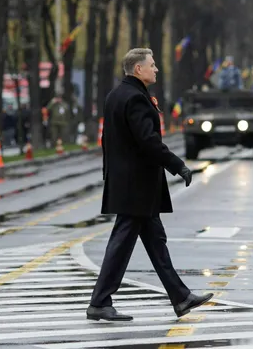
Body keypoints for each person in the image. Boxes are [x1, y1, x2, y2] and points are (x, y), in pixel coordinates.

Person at [87, 48, 213, 322]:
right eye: (152, 65)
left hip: (129, 183)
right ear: (138, 70)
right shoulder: (135, 98)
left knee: (156, 242)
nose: (156, 69)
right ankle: (99, 302)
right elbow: (149, 141)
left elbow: (107, 140)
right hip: (137, 186)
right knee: (121, 243)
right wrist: (177, 164)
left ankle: (180, 297)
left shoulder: (115, 95)